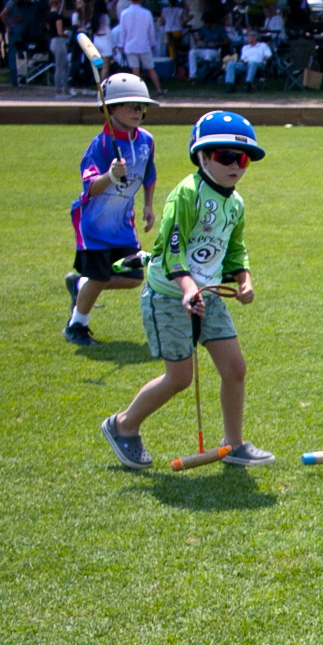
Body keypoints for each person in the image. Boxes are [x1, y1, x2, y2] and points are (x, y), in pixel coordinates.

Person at [99, 111, 272, 470]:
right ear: (202, 156)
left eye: (243, 159)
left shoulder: (235, 203)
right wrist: (187, 288)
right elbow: (171, 250)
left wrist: (244, 280)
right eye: (226, 156)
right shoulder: (187, 195)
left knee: (235, 368)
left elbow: (234, 248)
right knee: (179, 378)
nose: (236, 166)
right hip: (169, 294)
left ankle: (234, 443)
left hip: (206, 294)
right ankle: (123, 425)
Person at [65, 75, 159, 346]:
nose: (138, 112)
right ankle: (77, 327)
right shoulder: (100, 145)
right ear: (110, 108)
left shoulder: (147, 140)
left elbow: (149, 173)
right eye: (130, 106)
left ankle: (80, 286)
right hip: (93, 224)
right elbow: (91, 186)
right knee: (99, 275)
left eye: (141, 107)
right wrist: (110, 175)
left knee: (133, 276)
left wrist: (149, 205)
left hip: (123, 224)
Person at [116, 0, 164, 98]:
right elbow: (150, 30)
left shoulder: (124, 13)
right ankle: (159, 90)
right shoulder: (146, 13)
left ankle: (136, 92)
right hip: (144, 44)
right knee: (151, 68)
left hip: (130, 45)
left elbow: (122, 31)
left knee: (135, 70)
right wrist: (152, 42)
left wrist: (121, 44)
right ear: (140, 0)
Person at [189, 17, 228, 82]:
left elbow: (227, 41)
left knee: (208, 54)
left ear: (210, 22)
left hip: (214, 50)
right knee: (192, 52)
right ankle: (193, 75)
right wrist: (200, 42)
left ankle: (204, 75)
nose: (205, 24)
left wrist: (217, 43)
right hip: (203, 48)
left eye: (206, 23)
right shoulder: (204, 28)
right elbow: (198, 39)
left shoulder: (220, 29)